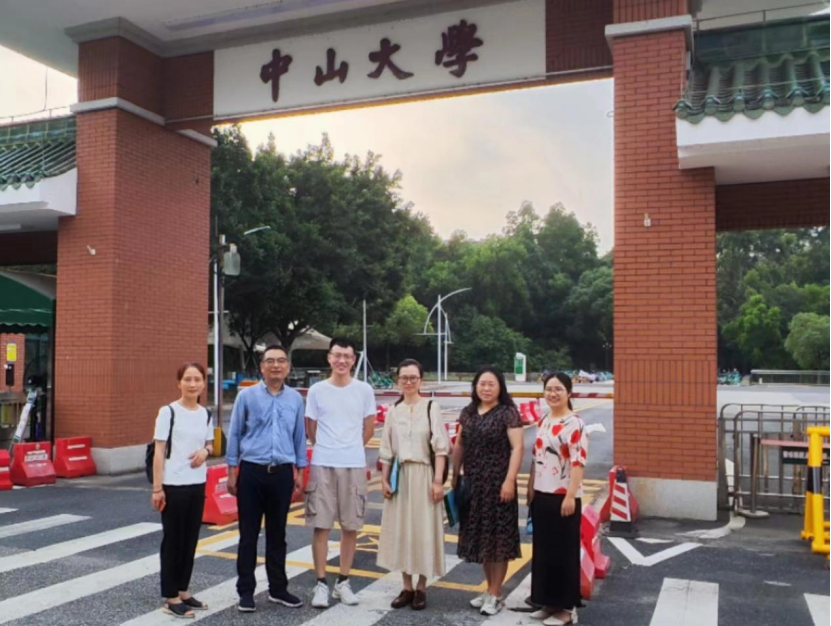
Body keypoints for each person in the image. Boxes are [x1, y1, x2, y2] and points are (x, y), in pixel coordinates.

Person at [226, 345, 307, 614]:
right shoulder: (247, 397)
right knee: (248, 535)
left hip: (282, 473)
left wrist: (300, 471)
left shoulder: (295, 399)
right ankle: (245, 591)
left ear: (287, 366)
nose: (276, 366)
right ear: (261, 366)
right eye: (270, 361)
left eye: (281, 361)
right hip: (251, 472)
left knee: (278, 534)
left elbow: (299, 436)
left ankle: (278, 589)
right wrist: (232, 471)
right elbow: (235, 433)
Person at [305, 337, 377, 609]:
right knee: (321, 525)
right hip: (323, 463)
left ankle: (343, 581)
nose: (342, 361)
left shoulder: (364, 390)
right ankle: (321, 583)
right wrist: (327, 447)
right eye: (337, 355)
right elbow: (311, 428)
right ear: (329, 357)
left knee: (351, 525)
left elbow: (369, 427)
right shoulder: (317, 390)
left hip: (354, 464)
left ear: (353, 359)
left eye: (347, 356)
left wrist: (351, 448)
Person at [378, 359, 450, 611]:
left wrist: (438, 481)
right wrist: (384, 479)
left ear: (421, 380)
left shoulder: (431, 407)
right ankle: (406, 586)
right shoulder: (393, 411)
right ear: (397, 380)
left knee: (423, 530)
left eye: (413, 378)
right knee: (402, 530)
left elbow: (441, 448)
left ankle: (421, 587)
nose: (408, 382)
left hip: (424, 475)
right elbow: (386, 450)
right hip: (400, 476)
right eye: (404, 378)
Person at [452, 366, 524, 617]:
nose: (486, 388)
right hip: (474, 484)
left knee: (498, 539)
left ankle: (495, 592)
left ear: (500, 387)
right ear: (475, 386)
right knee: (482, 539)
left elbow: (517, 449)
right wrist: (454, 475)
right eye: (482, 383)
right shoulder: (468, 412)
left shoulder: (508, 413)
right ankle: (489, 589)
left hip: (498, 484)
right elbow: (460, 444)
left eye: (491, 384)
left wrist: (509, 481)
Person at [151, 363, 214, 619]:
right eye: (187, 379)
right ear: (179, 383)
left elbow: (210, 444)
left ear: (203, 383)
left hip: (197, 483)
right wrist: (157, 488)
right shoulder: (168, 412)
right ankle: (171, 596)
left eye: (197, 379)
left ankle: (184, 590)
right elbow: (159, 451)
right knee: (173, 541)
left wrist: (205, 451)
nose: (192, 384)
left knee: (190, 540)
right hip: (173, 485)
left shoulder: (205, 414)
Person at [527, 372, 587, 626]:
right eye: (549, 389)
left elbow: (578, 462)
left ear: (569, 393)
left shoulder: (575, 423)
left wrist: (570, 496)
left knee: (564, 552)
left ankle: (567, 608)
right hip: (542, 494)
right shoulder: (544, 420)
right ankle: (548, 602)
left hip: (564, 497)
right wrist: (531, 487)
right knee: (544, 551)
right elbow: (537, 457)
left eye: (558, 389)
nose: (553, 393)